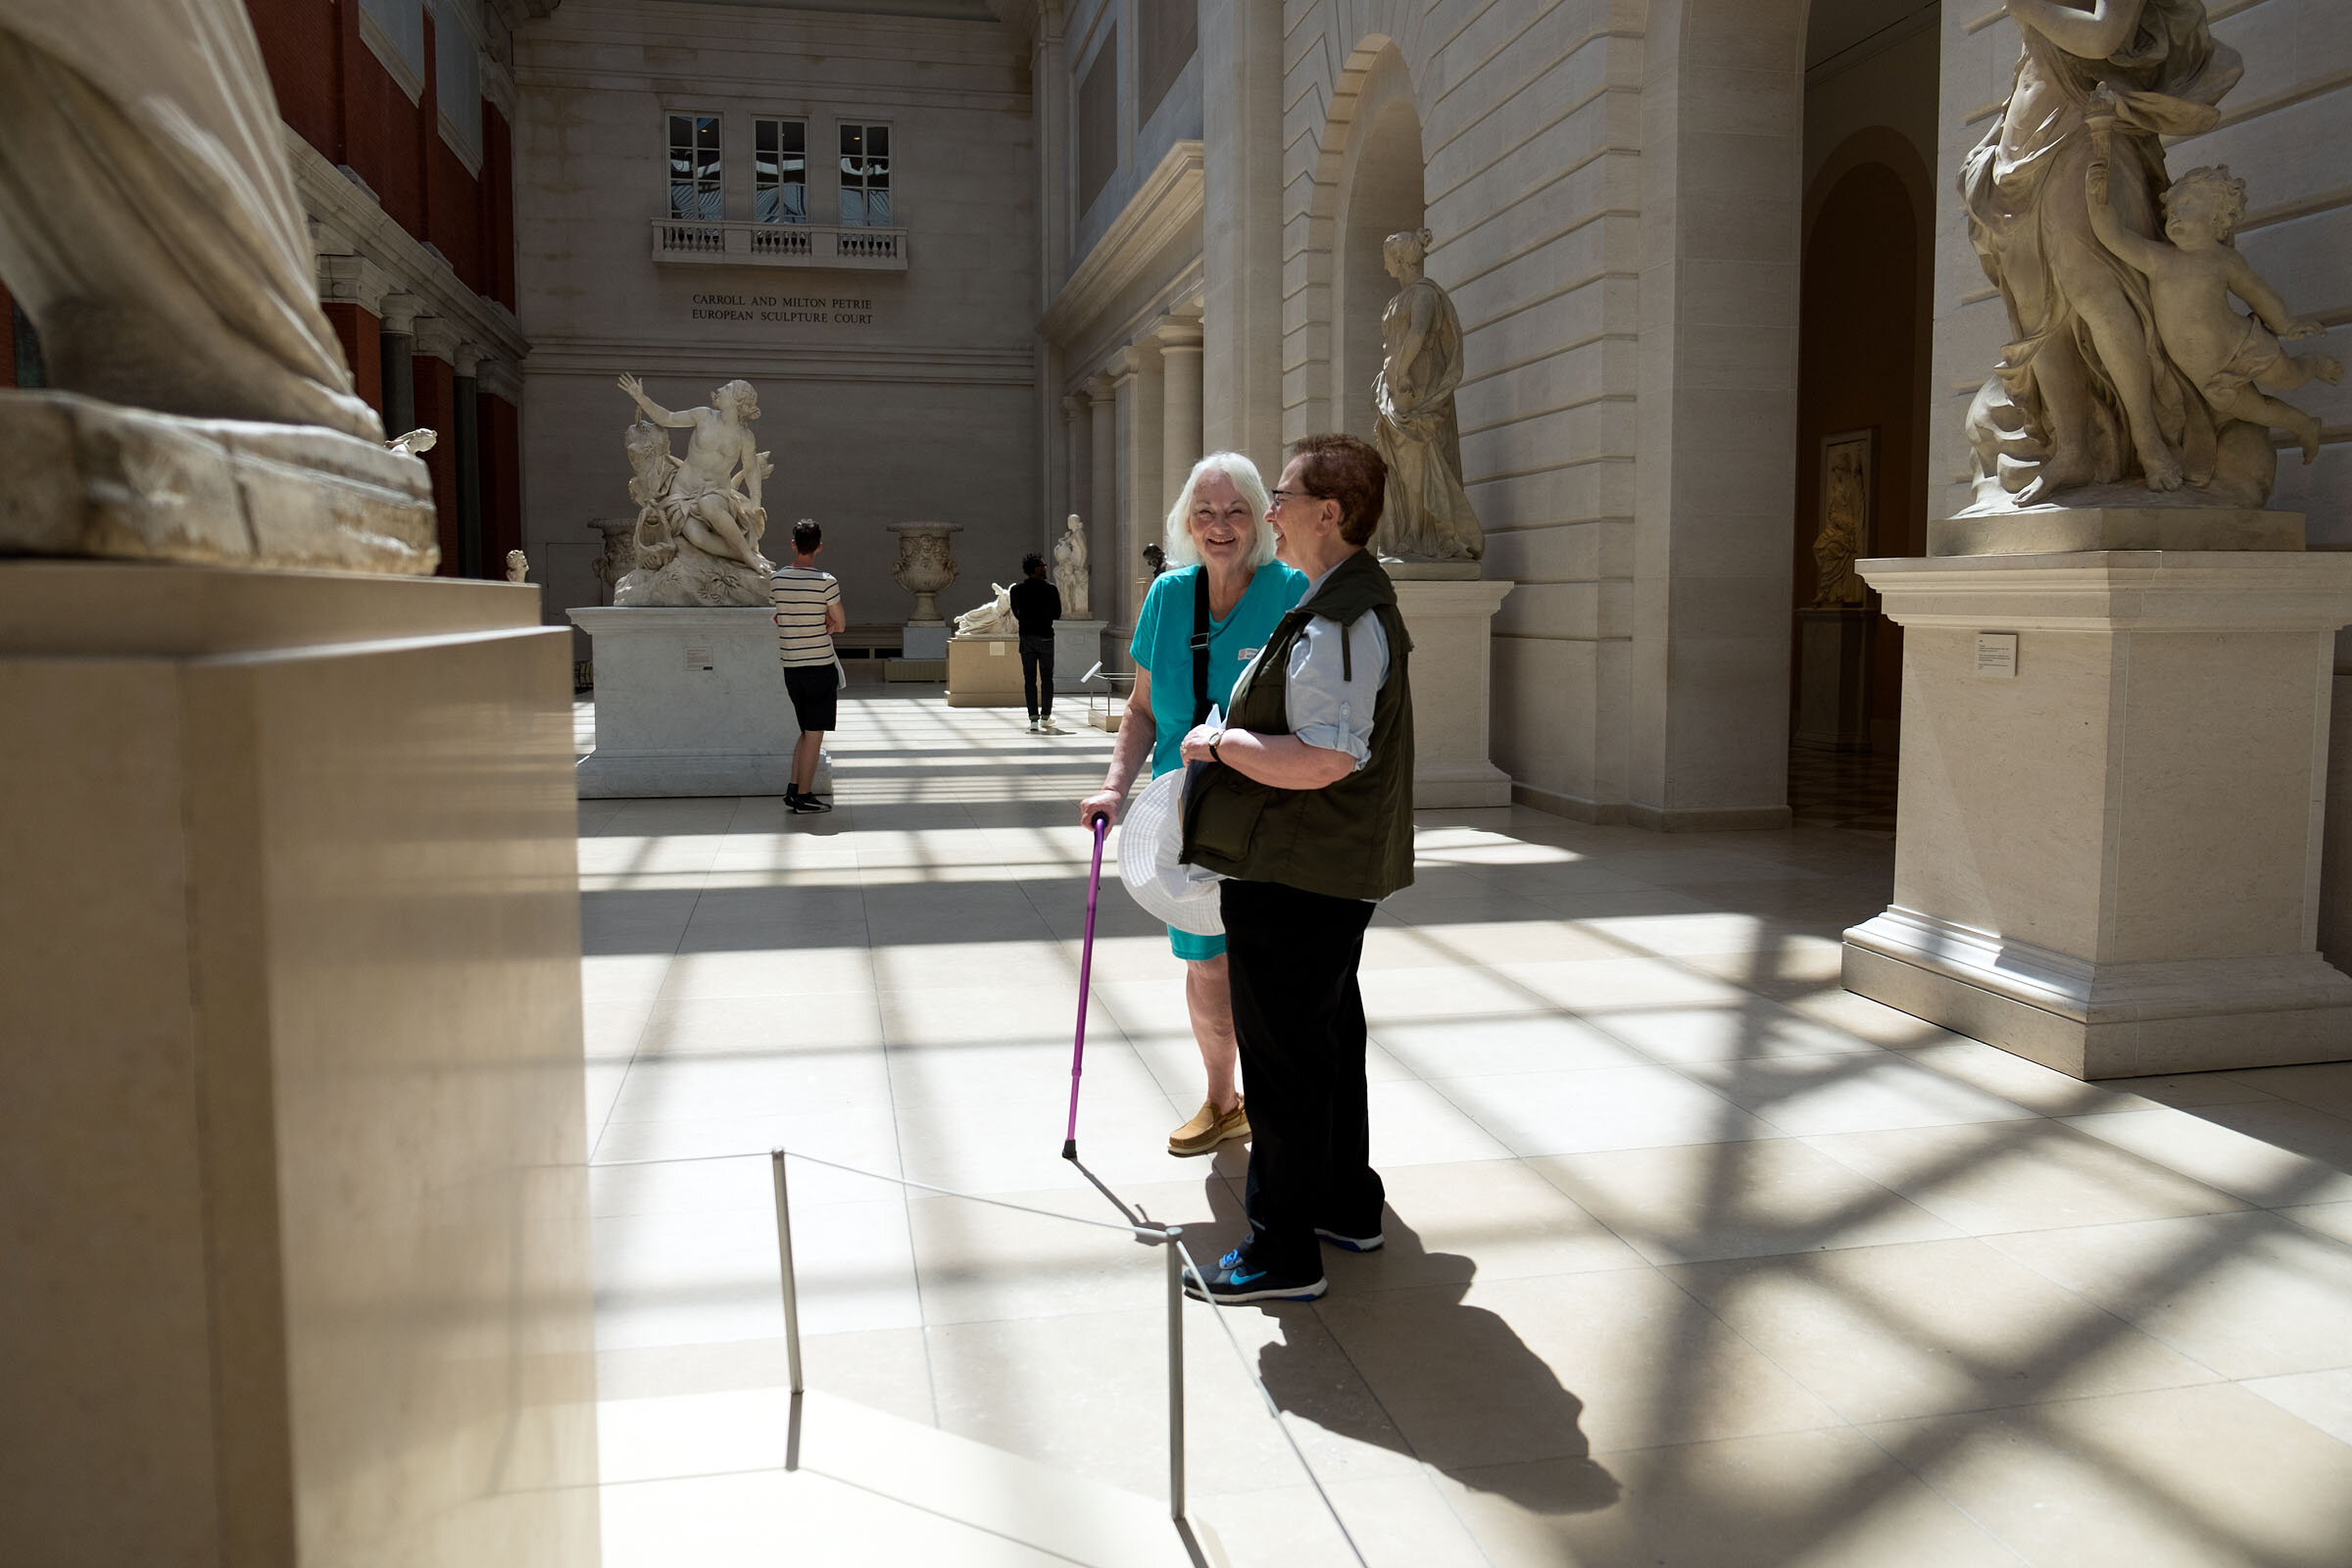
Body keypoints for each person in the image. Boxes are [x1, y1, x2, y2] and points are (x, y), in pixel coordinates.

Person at [1174, 433, 1415, 1305]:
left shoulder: (1343, 618)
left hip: (1298, 876)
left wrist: (1220, 742)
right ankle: (1346, 1204)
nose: (1267, 512)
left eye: (1279, 498)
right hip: (1311, 872)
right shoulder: (1335, 605)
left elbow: (1325, 757)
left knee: (1282, 1063)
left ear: (1331, 513)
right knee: (1325, 1043)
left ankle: (1283, 1253)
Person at [1079, 454, 1307, 1156]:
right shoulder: (1168, 597)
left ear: (1260, 521)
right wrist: (1116, 787)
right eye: (1204, 513)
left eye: (1236, 510)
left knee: (1272, 964)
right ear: (1185, 522)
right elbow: (1143, 711)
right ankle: (1221, 1099)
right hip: (1188, 817)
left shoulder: (1292, 591)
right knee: (1207, 961)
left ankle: (1287, 1115)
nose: (1220, 526)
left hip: (1275, 812)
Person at [2085, 159, 2340, 463]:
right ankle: (2303, 424)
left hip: (2244, 346)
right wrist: (2096, 202)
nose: (2176, 212)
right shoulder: (2158, 259)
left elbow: (2257, 294)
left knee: (2288, 378)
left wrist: (2286, 324)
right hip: (2207, 375)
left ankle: (2313, 365)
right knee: (2255, 409)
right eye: (2172, 210)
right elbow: (2114, 238)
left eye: (2189, 204)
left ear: (2219, 214)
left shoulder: (2223, 261)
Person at [770, 518, 844, 814]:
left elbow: (780, 615)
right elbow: (840, 623)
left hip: (792, 666)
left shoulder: (777, 579)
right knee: (814, 734)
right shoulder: (826, 581)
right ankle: (804, 795)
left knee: (804, 731)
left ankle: (792, 789)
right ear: (819, 547)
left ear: (793, 544)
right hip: (819, 665)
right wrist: (826, 621)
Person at [1008, 552, 1063, 732]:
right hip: (1046, 637)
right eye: (1043, 565)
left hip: (1026, 638)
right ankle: (1045, 716)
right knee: (1047, 678)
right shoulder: (1051, 589)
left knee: (1029, 679)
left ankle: (1033, 718)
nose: (1045, 568)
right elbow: (1057, 614)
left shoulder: (1016, 589)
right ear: (1035, 569)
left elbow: (1016, 613)